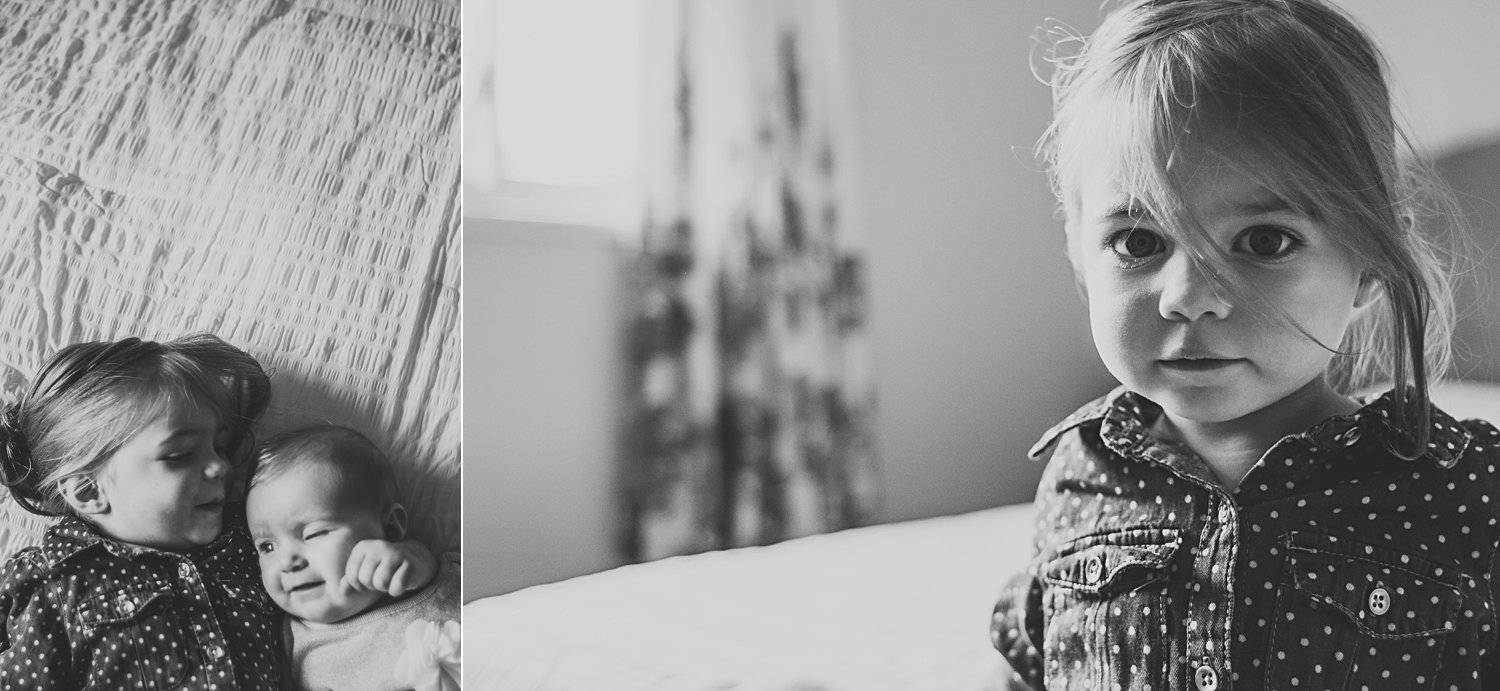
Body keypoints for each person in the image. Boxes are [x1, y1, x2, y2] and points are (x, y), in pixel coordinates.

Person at [989, 1, 1500, 689]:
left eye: (1265, 241)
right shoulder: (1080, 475)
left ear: (1372, 264)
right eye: (1139, 241)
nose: (1189, 295)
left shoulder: (1464, 492)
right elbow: (1031, 663)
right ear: (1081, 257)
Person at [247, 425, 460, 691]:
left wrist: (413, 557)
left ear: (391, 529)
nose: (287, 561)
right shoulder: (287, 641)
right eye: (267, 547)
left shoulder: (419, 572)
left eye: (313, 534)